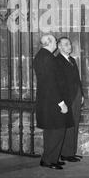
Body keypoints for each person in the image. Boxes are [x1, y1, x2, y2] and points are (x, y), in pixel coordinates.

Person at [33, 34, 73, 170]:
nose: (56, 42)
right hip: (52, 101)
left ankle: (50, 158)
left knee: (51, 131)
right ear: (49, 42)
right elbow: (51, 83)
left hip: (47, 100)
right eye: (55, 41)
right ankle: (49, 160)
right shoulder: (48, 58)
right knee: (56, 131)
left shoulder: (41, 56)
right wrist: (61, 103)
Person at [55, 37, 84, 162]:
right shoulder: (58, 61)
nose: (69, 46)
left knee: (75, 123)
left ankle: (71, 151)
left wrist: (81, 94)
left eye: (70, 44)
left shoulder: (72, 59)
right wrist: (62, 101)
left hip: (76, 96)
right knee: (68, 125)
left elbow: (77, 79)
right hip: (67, 98)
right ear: (59, 47)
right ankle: (66, 153)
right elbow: (58, 83)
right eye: (66, 44)